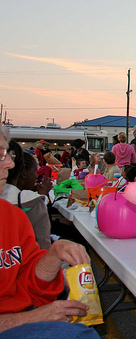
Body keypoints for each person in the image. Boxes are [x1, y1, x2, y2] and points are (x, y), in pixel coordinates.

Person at [0, 127, 98, 338]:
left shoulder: (12, 217)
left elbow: (31, 286)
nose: (9, 163)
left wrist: (54, 254)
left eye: (9, 154)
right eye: (1, 155)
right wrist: (28, 319)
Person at [1, 150, 52, 249]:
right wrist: (43, 198)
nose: (36, 176)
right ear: (24, 173)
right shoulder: (32, 202)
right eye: (34, 172)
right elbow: (43, 246)